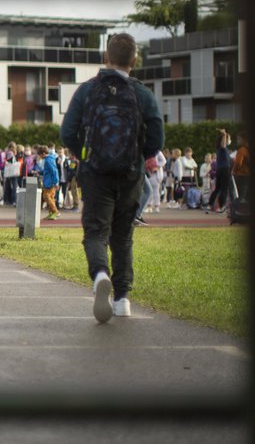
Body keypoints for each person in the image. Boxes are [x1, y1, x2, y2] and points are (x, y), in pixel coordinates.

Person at [60, 32, 163, 323]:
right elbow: (156, 137)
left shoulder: (87, 91)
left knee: (95, 232)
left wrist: (87, 156)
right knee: (123, 235)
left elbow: (67, 132)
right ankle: (122, 299)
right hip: (130, 175)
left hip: (95, 174)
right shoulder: (142, 94)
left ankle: (100, 274)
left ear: (106, 58)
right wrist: (136, 157)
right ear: (134, 60)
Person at [206, 129, 232, 214]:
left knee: (217, 188)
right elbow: (224, 144)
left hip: (220, 169)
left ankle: (209, 205)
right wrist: (224, 134)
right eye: (229, 139)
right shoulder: (223, 148)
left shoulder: (219, 149)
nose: (230, 140)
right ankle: (222, 206)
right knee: (224, 189)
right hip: (225, 169)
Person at [41, 145, 60, 220]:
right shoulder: (48, 159)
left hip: (51, 183)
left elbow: (54, 171)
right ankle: (51, 213)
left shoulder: (49, 160)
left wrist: (56, 182)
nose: (40, 157)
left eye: (40, 155)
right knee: (49, 197)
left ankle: (55, 212)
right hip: (47, 182)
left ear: (43, 153)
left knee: (47, 197)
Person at [232, 131, 250, 201]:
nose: (237, 141)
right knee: (246, 194)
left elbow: (238, 163)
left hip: (241, 174)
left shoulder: (241, 150)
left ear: (243, 140)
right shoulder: (248, 149)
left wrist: (234, 170)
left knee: (240, 195)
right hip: (248, 174)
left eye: (238, 139)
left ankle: (240, 209)